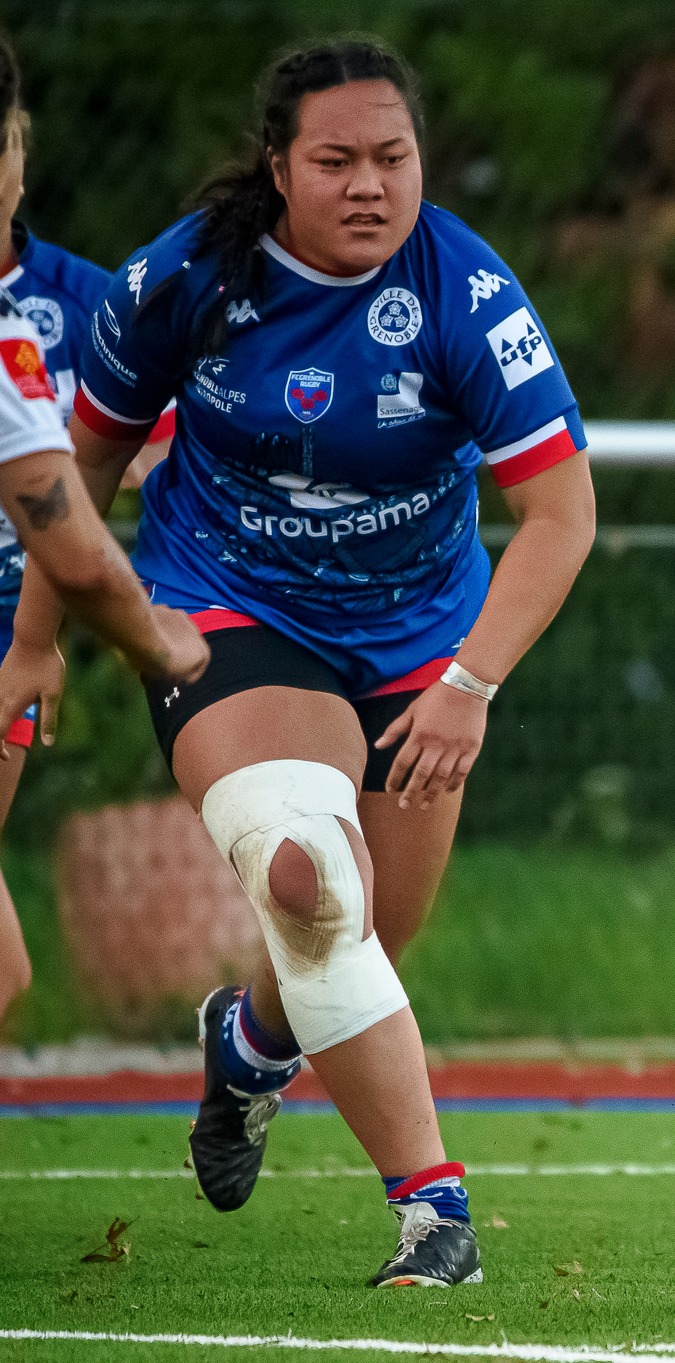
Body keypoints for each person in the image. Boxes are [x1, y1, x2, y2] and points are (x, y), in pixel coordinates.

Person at [2, 38, 596, 1287]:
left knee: (364, 928)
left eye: (394, 157)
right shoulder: (185, 278)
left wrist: (468, 685)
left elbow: (561, 515)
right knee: (310, 878)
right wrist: (36, 646)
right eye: (336, 160)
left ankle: (252, 1046)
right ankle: (435, 1215)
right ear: (279, 168)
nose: (371, 184)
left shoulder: (464, 289)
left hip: (421, 642)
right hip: (226, 610)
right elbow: (79, 470)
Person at [0, 34, 198, 1022]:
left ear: (20, 150)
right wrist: (157, 637)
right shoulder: (7, 347)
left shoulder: (81, 307)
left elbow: (149, 470)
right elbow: (66, 526)